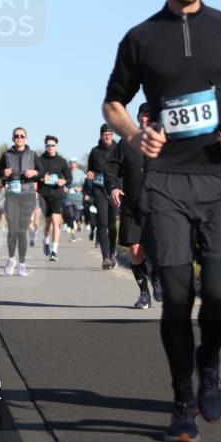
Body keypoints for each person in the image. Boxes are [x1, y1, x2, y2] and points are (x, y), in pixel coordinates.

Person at [103, 0, 221, 442]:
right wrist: (134, 134)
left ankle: (209, 360)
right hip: (166, 181)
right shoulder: (140, 38)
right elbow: (113, 101)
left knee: (220, 294)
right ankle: (182, 400)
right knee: (176, 296)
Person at [105, 103, 163, 308]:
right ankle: (144, 294)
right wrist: (113, 188)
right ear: (137, 118)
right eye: (142, 116)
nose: (146, 119)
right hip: (132, 206)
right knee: (136, 252)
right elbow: (111, 170)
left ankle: (157, 277)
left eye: (150, 116)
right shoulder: (126, 143)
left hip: (159, 207)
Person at [0, 128, 43, 277]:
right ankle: (11, 259)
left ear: (26, 138)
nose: (19, 138)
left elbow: (41, 173)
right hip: (12, 195)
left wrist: (34, 173)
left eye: (22, 136)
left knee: (22, 230)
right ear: (13, 138)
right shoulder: (7, 155)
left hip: (28, 194)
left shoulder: (32, 154)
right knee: (12, 229)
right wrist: (4, 173)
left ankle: (22, 263)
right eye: (16, 136)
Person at [87, 124, 120, 269]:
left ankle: (112, 251)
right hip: (99, 189)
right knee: (102, 223)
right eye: (104, 134)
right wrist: (90, 174)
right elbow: (90, 170)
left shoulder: (118, 150)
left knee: (112, 224)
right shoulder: (95, 151)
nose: (107, 136)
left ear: (112, 135)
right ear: (101, 136)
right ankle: (105, 257)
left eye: (109, 134)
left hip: (114, 190)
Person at [39, 135, 72, 261]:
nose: (50, 147)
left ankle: (54, 251)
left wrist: (63, 181)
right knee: (47, 224)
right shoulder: (39, 160)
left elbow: (69, 178)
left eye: (52, 145)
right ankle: (46, 241)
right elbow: (34, 175)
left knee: (55, 222)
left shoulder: (61, 161)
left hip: (57, 194)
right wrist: (42, 177)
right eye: (48, 145)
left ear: (56, 146)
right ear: (45, 146)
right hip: (44, 195)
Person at [64, 158, 85, 241]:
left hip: (78, 197)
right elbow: (63, 182)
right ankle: (73, 233)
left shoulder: (81, 173)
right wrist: (65, 188)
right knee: (70, 215)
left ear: (76, 164)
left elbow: (85, 184)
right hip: (68, 197)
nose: (72, 164)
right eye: (71, 163)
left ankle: (78, 222)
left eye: (74, 162)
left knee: (76, 217)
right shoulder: (66, 172)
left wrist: (81, 188)